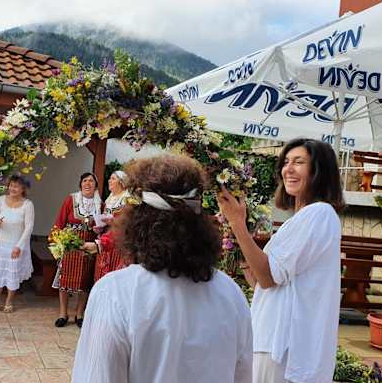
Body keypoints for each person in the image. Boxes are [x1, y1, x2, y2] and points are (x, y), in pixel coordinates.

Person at [71, 155, 253, 383]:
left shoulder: (115, 292)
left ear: (138, 221)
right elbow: (243, 374)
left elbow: (97, 377)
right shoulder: (231, 293)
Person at [217, 138, 344, 383]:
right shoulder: (298, 219)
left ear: (319, 171)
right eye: (286, 162)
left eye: (299, 162)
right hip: (270, 340)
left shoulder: (319, 214)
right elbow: (262, 285)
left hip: (283, 349)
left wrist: (237, 224)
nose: (289, 169)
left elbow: (268, 277)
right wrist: (238, 243)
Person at [51, 172, 101, 328]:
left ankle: (79, 314)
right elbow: (60, 221)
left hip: (89, 246)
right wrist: (55, 242)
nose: (87, 184)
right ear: (80, 184)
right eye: (85, 181)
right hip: (70, 244)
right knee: (65, 279)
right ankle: (63, 313)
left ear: (96, 185)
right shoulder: (71, 200)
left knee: (85, 280)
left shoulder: (101, 204)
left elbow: (103, 227)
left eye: (91, 181)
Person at [0, 174, 35, 313]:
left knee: (12, 274)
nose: (13, 189)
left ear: (23, 189)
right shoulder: (1, 200)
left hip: (16, 245)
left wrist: (19, 246)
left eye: (16, 186)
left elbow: (29, 227)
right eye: (11, 185)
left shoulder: (28, 205)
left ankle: (9, 302)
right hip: (1, 244)